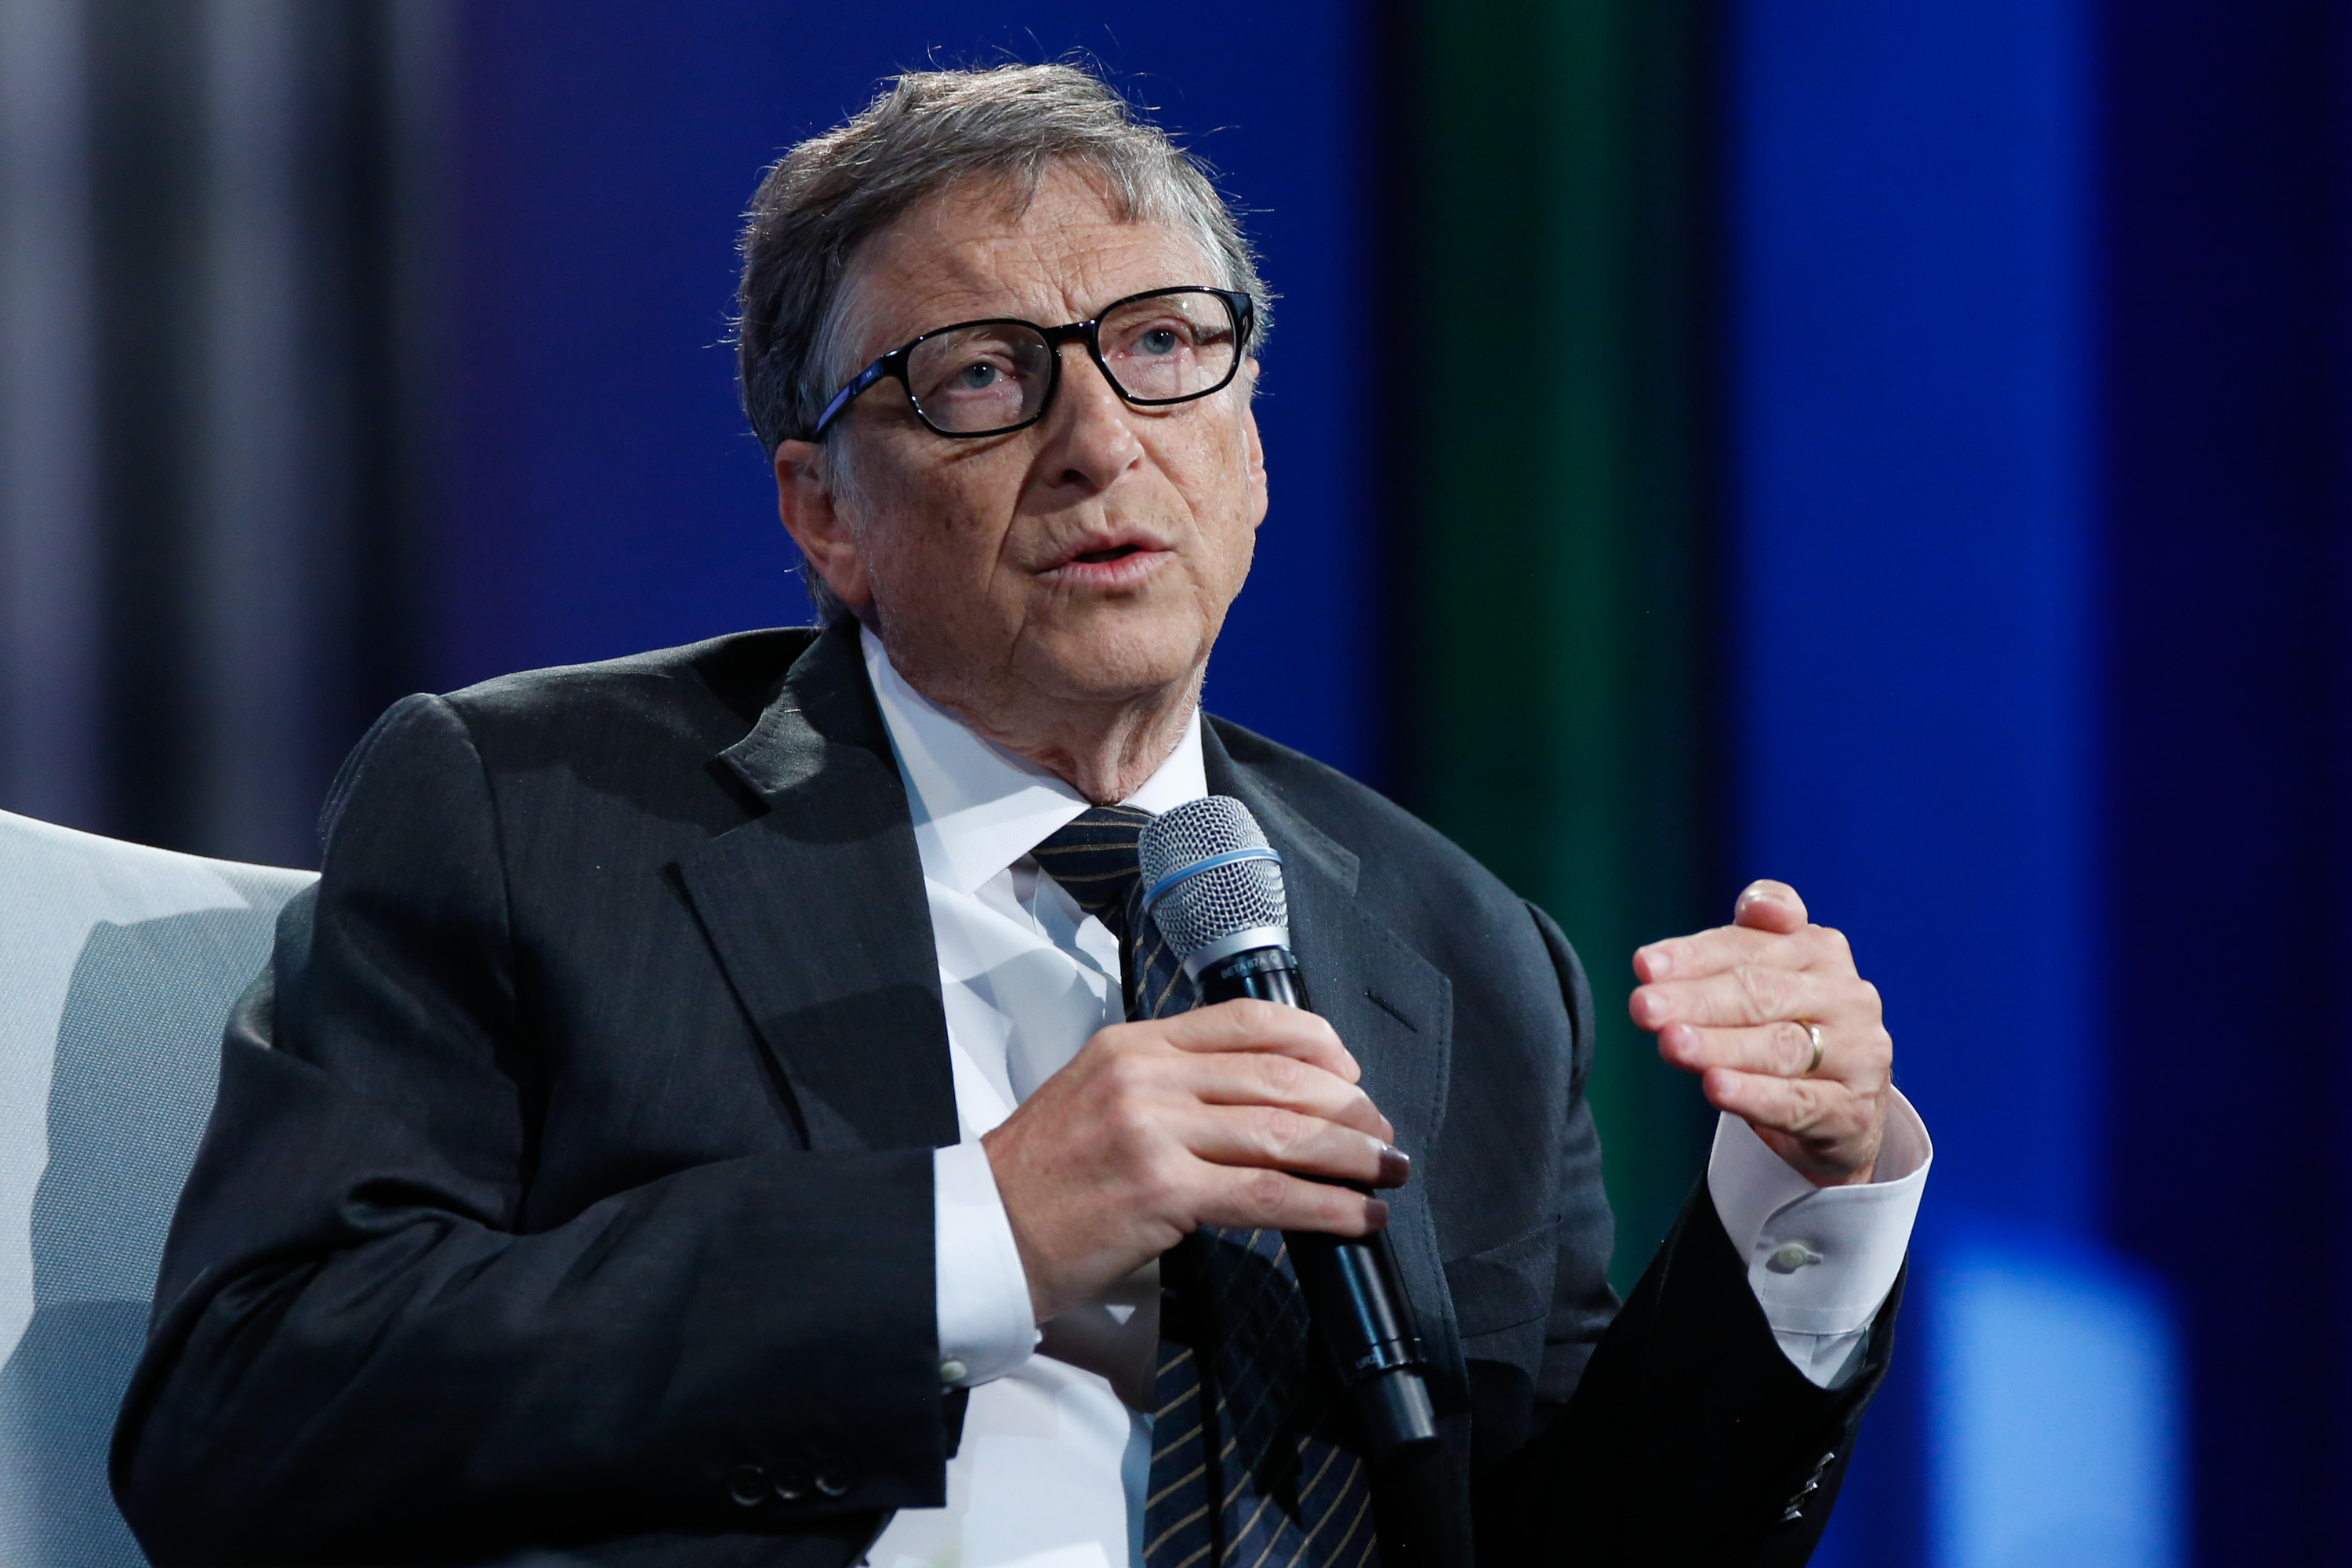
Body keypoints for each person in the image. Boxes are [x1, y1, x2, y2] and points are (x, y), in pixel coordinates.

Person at [114, 64, 1929, 1568]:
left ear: (1253, 441)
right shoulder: (535, 810)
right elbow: (253, 1411)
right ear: (824, 510)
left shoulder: (1460, 948)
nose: (1098, 439)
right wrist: (975, 1232)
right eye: (982, 375)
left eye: (1163, 345)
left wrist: (1806, 1200)